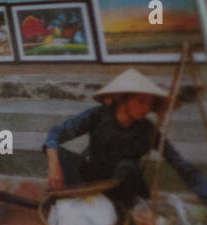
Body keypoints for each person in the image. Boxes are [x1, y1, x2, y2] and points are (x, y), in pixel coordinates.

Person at [43, 68, 207, 204]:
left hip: (123, 185)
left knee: (126, 166)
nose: (146, 107)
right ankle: (77, 195)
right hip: (93, 176)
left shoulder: (148, 130)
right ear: (123, 99)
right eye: (141, 101)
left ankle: (118, 206)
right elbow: (55, 134)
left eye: (150, 103)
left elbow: (180, 164)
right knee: (57, 152)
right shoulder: (98, 115)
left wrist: (203, 190)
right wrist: (54, 165)